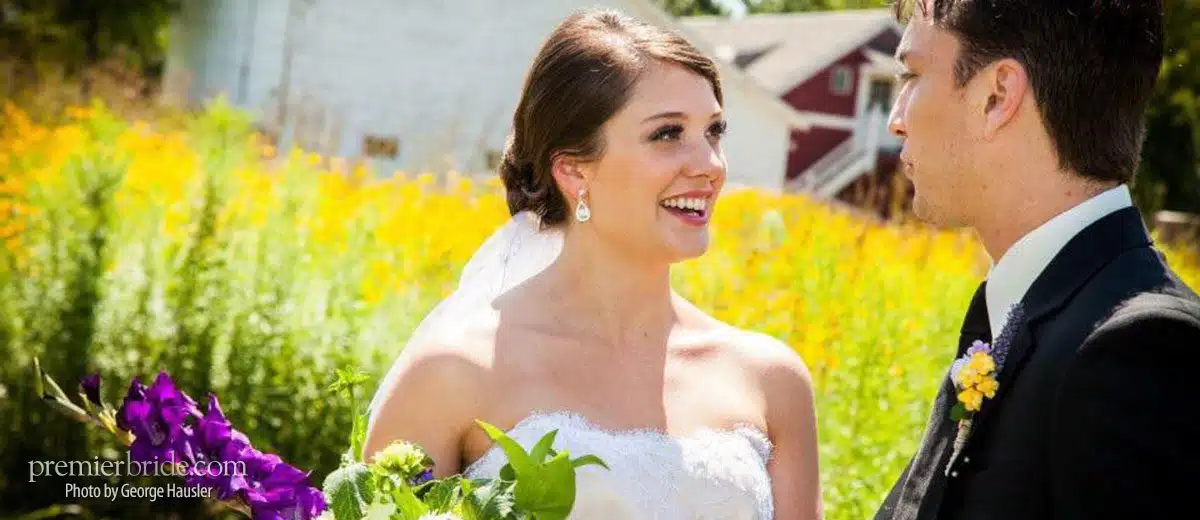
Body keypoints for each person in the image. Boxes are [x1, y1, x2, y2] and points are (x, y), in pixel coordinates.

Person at [362, 8, 822, 520]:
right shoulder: (453, 374)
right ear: (573, 171)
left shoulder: (771, 382)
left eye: (714, 131)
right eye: (668, 134)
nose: (710, 165)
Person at [874, 1, 1200, 519]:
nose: (895, 120)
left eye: (911, 75)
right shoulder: (1026, 318)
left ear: (997, 96)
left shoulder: (1136, 352)